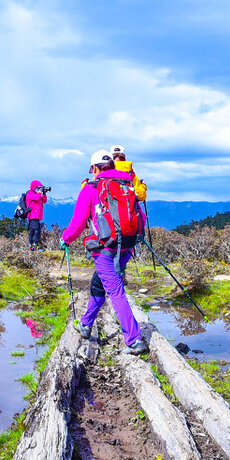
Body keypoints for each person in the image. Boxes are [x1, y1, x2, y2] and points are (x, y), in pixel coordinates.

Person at [62, 149, 148, 354]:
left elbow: (77, 224)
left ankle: (134, 340)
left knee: (115, 291)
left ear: (94, 168)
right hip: (126, 246)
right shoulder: (126, 185)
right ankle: (85, 324)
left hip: (104, 249)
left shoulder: (90, 188)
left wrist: (65, 239)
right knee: (99, 285)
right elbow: (141, 217)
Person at [24, 179, 48, 251]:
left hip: (37, 216)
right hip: (32, 215)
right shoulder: (30, 193)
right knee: (36, 230)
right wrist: (40, 191)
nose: (39, 188)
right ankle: (34, 246)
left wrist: (44, 193)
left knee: (33, 230)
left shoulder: (37, 193)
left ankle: (31, 246)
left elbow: (44, 201)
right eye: (38, 187)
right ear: (34, 187)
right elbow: (37, 198)